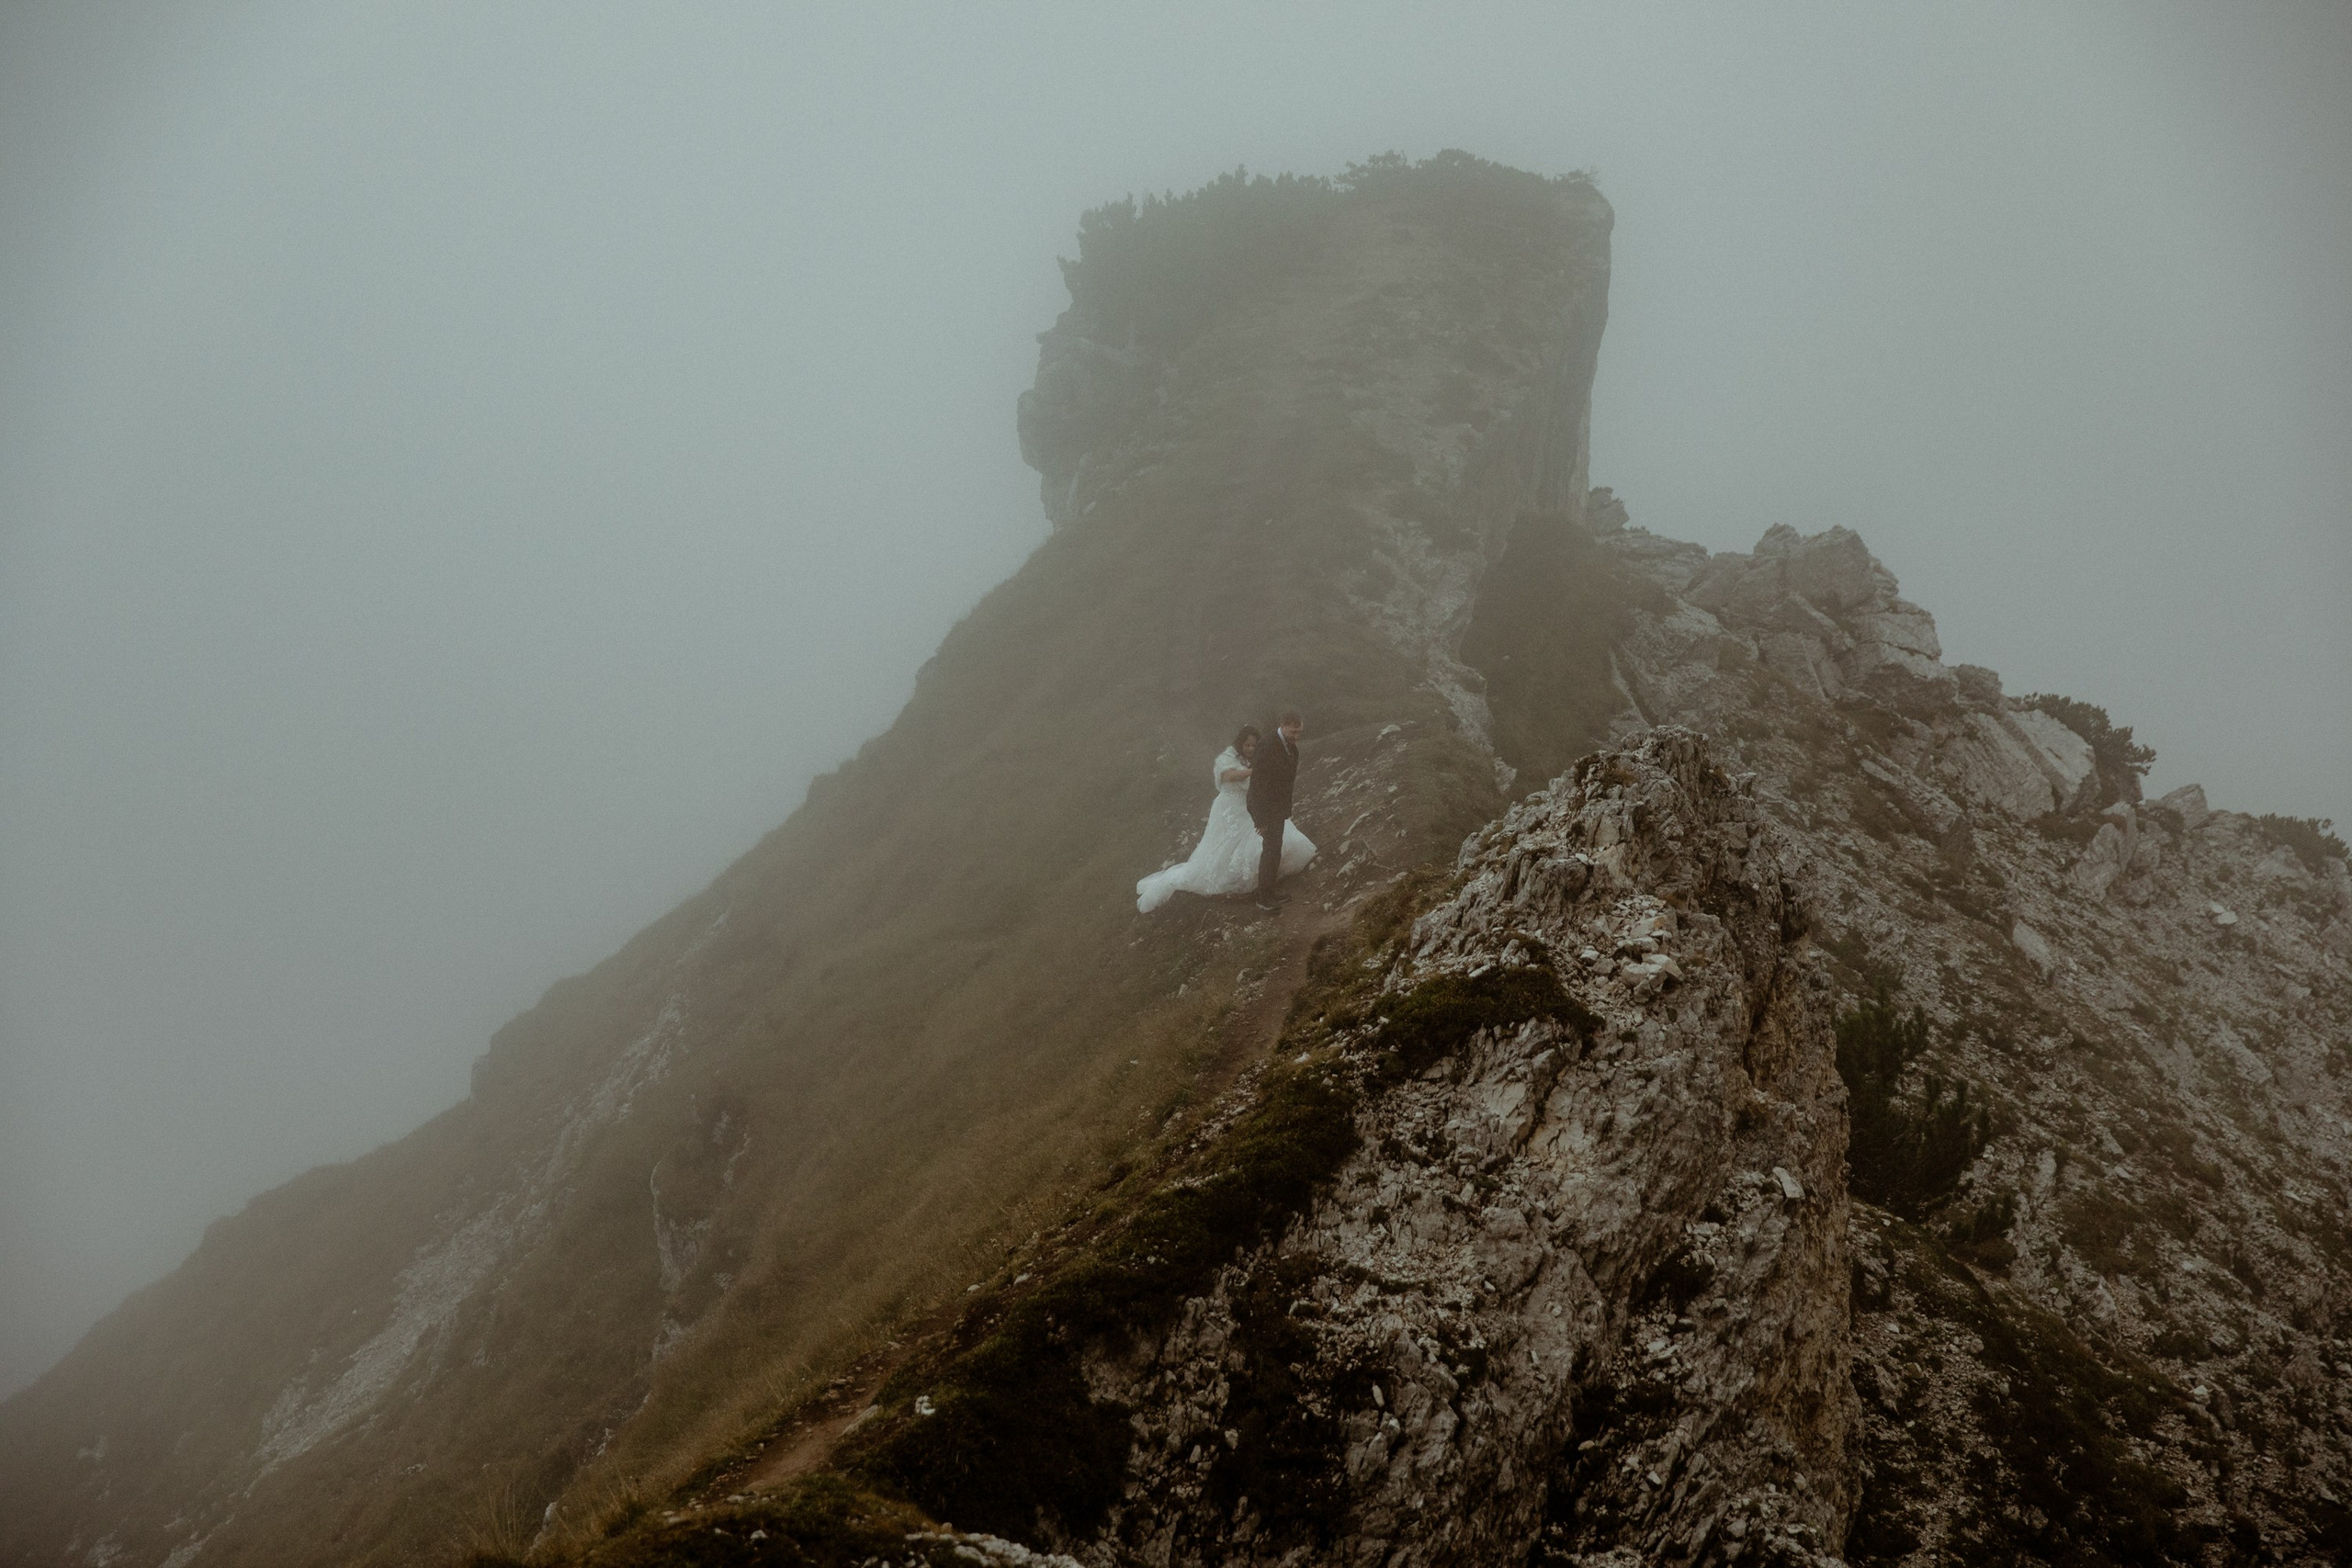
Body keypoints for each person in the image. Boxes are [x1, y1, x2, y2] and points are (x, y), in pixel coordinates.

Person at [1135, 723, 1315, 913]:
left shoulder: (1260, 757)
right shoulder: (1226, 758)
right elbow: (1229, 776)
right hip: (1230, 809)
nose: (1251, 749)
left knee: (1273, 843)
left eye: (1254, 745)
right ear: (1240, 744)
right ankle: (1254, 889)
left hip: (1254, 807)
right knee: (1230, 848)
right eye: (1247, 745)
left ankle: (1266, 884)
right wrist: (1257, 770)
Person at [1247, 709, 1306, 908]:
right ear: (1282, 726)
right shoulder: (1268, 746)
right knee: (1270, 851)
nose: (1297, 737)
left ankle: (1270, 891)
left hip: (1277, 807)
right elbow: (1257, 786)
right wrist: (1260, 820)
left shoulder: (1287, 745)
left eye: (1299, 732)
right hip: (1267, 809)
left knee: (1275, 849)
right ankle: (1263, 899)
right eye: (1293, 732)